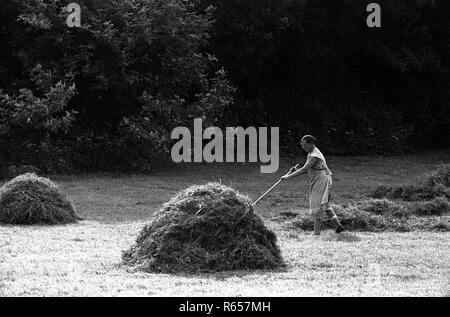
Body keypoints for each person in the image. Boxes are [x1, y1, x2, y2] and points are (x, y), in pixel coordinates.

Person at [281, 135, 345, 235]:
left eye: (305, 144)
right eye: (302, 145)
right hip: (319, 180)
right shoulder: (312, 152)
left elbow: (305, 169)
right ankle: (339, 227)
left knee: (317, 205)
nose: (303, 147)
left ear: (311, 144)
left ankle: (316, 233)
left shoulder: (314, 155)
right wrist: (296, 171)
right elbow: (311, 169)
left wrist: (288, 177)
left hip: (322, 181)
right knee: (325, 205)